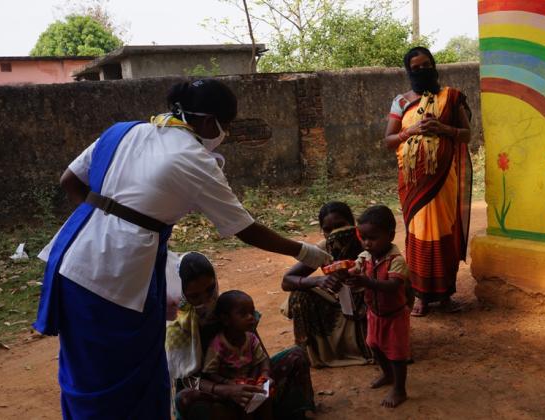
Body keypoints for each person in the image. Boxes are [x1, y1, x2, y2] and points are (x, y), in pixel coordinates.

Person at [33, 79, 330, 419]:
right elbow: (244, 229)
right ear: (208, 122)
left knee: (83, 374)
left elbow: (69, 182)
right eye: (226, 125)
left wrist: (107, 219)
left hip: (69, 257)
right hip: (113, 277)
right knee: (129, 380)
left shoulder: (123, 132)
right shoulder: (193, 159)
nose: (224, 133)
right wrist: (304, 252)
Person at [166, 252, 315, 420]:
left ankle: (293, 413)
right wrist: (227, 389)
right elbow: (186, 381)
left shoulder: (229, 308)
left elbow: (260, 355)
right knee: (186, 399)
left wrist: (261, 380)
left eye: (209, 289)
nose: (205, 299)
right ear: (182, 294)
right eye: (194, 296)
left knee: (296, 356)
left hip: (249, 386)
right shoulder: (176, 328)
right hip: (214, 394)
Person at [383, 46, 472, 317]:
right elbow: (387, 141)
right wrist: (409, 131)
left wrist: (442, 129)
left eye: (426, 65)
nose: (422, 71)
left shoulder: (452, 97)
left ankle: (445, 296)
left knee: (445, 233)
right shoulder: (401, 102)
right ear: (409, 72)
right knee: (419, 235)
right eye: (416, 68)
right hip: (413, 185)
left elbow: (467, 134)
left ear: (434, 66)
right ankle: (420, 296)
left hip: (444, 180)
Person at [282, 201, 371, 367]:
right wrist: (318, 280)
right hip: (340, 308)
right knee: (299, 295)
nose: (334, 233)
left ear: (352, 224)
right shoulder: (323, 249)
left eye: (340, 226)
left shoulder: (368, 241)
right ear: (322, 231)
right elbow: (287, 281)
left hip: (370, 305)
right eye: (328, 230)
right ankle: (312, 353)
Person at [344, 205, 411, 408]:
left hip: (395, 315)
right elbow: (355, 269)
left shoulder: (396, 260)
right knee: (374, 345)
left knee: (397, 353)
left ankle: (400, 389)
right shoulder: (365, 257)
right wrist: (347, 273)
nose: (366, 243)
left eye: (372, 238)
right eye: (363, 237)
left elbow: (392, 286)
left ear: (390, 236)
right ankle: (387, 374)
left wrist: (366, 282)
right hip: (374, 313)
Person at [202, 290, 273, 419]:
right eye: (243, 314)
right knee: (243, 407)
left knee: (265, 399)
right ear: (226, 319)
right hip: (230, 389)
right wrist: (228, 383)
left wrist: (264, 375)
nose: (251, 317)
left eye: (251, 312)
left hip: (250, 383)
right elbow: (210, 372)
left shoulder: (251, 338)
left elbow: (262, 359)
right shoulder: (218, 344)